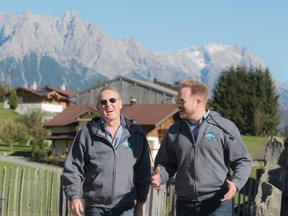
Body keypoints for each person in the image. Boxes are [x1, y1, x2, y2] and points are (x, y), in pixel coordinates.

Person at [151, 80, 252, 216]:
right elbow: (165, 163)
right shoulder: (174, 131)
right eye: (177, 101)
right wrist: (159, 176)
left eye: (182, 101)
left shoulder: (224, 127)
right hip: (185, 205)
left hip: (218, 203)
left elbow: (243, 160)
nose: (178, 105)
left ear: (198, 102)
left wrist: (236, 183)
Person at [62, 86, 151, 216]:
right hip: (95, 208)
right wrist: (74, 197)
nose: (108, 105)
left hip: (125, 208)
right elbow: (73, 168)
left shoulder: (135, 133)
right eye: (103, 102)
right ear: (98, 108)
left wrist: (140, 203)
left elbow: (143, 171)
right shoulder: (87, 133)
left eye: (112, 100)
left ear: (120, 103)